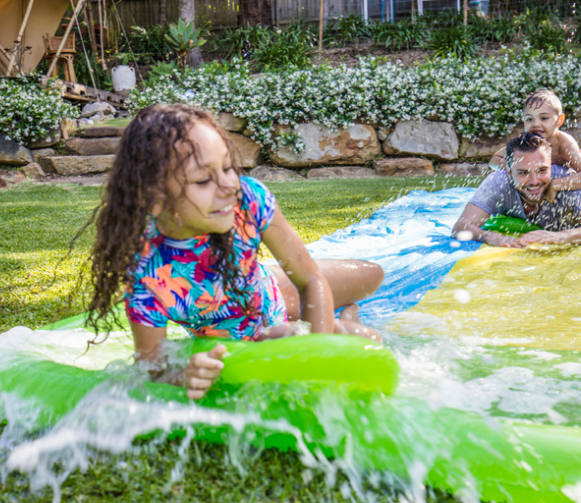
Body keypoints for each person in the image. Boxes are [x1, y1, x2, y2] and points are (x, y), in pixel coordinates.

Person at [84, 104, 384, 399]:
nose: (229, 184)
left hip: (265, 288)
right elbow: (151, 365)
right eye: (203, 180)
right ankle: (345, 322)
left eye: (227, 167)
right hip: (245, 337)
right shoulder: (147, 273)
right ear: (155, 199)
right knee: (368, 341)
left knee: (373, 275)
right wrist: (183, 376)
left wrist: (316, 347)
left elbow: (311, 280)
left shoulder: (249, 198)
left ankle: (340, 316)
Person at [489, 89, 581, 222]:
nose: (535, 124)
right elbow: (494, 160)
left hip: (580, 172)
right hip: (560, 177)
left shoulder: (564, 143)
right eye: (529, 119)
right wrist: (515, 168)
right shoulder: (524, 142)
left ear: (559, 120)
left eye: (544, 118)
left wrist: (554, 185)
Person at [452, 132, 581, 248]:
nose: (534, 181)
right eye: (523, 173)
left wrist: (560, 237)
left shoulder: (566, 179)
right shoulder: (498, 182)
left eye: (542, 170)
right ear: (509, 172)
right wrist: (490, 236)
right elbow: (461, 226)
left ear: (551, 167)